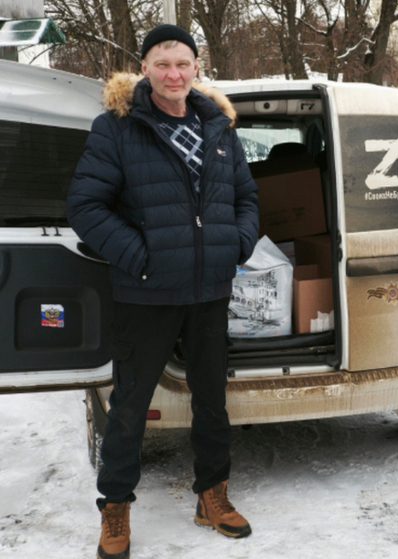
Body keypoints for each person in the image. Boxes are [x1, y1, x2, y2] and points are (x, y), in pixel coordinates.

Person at [67, 24, 260, 559]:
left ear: (196, 67)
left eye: (183, 63)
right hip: (145, 294)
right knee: (130, 406)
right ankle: (115, 507)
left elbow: (246, 194)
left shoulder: (219, 126)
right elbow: (86, 207)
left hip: (209, 291)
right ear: (145, 68)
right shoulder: (117, 127)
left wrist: (237, 244)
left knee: (212, 401)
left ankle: (211, 495)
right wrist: (141, 258)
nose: (173, 74)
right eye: (162, 63)